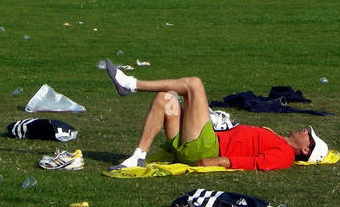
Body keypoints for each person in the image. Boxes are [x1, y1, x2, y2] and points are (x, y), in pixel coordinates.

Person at [100, 63, 326, 172]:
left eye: (309, 136)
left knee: (194, 84)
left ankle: (130, 84)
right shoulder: (280, 140)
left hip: (205, 147)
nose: (305, 130)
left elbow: (255, 163)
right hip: (197, 142)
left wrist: (214, 162)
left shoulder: (285, 155)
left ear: (306, 150)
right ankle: (138, 156)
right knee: (165, 98)